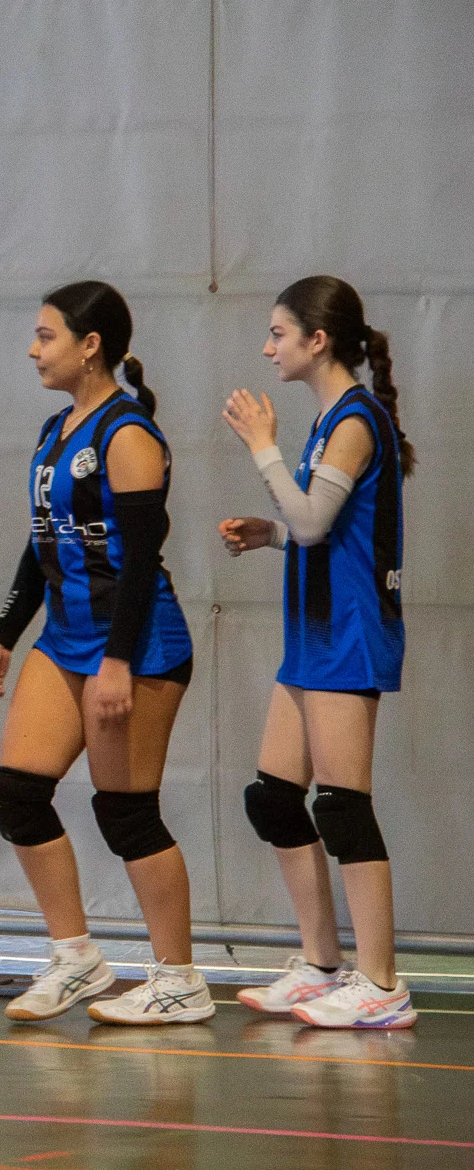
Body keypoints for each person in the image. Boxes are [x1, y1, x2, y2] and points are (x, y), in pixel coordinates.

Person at [0, 282, 207, 1026]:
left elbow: (139, 561)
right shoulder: (55, 430)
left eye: (47, 336)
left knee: (126, 812)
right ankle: (76, 957)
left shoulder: (127, 434)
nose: (33, 350)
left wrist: (117, 661)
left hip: (135, 643)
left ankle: (179, 979)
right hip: (65, 637)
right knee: (16, 794)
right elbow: (40, 543)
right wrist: (3, 635)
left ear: (90, 345)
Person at [219, 275, 416, 1029]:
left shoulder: (356, 421)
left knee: (341, 805)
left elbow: (312, 524)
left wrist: (261, 448)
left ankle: (383, 984)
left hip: (349, 632)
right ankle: (321, 964)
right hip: (313, 632)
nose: (268, 348)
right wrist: (267, 532)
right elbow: (313, 526)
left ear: (318, 339)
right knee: (273, 796)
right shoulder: (330, 420)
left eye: (279, 333)